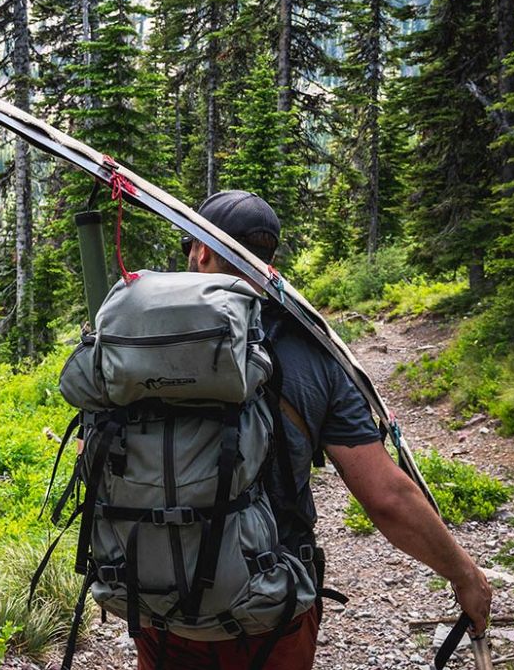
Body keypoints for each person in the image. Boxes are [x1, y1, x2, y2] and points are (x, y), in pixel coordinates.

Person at [131, 189, 492, 670]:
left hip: (155, 600)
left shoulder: (135, 339)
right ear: (270, 258)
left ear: (200, 251)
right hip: (270, 607)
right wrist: (466, 576)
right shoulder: (313, 353)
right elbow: (384, 496)